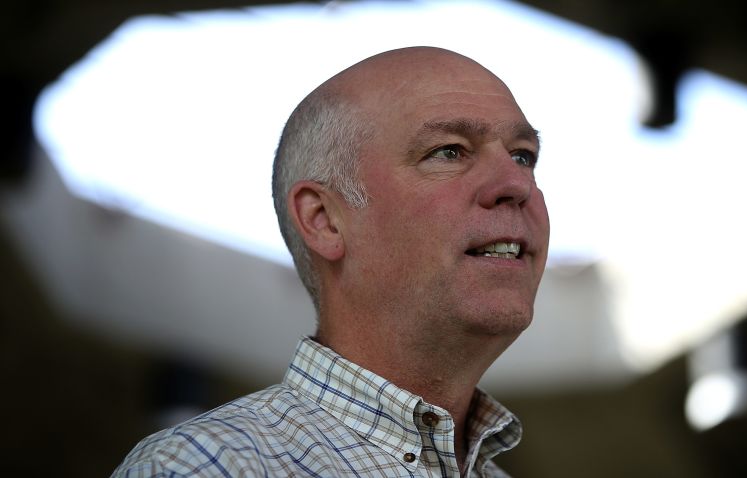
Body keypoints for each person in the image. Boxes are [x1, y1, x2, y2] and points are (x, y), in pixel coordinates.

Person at [112, 46, 550, 478]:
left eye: (522, 155)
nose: (516, 183)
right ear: (324, 221)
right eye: (449, 151)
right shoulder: (207, 468)